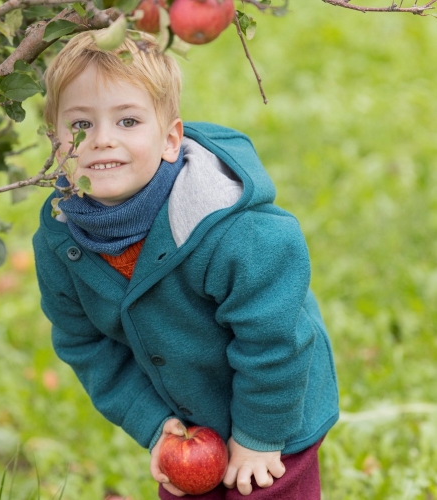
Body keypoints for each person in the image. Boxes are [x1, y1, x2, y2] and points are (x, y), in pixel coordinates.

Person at [33, 29, 339, 500]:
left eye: (128, 121)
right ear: (53, 140)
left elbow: (275, 341)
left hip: (275, 408)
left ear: (170, 139)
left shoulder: (230, 231)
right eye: (79, 125)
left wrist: (260, 436)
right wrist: (156, 424)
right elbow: (86, 345)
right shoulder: (61, 243)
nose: (101, 140)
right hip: (188, 427)